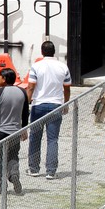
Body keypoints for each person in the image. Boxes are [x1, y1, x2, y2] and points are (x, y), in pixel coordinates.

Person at [26, 40, 72, 179]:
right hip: (56, 105)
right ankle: (51, 171)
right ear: (54, 52)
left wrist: (27, 102)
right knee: (53, 139)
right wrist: (66, 103)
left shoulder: (36, 66)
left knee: (35, 137)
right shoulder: (63, 67)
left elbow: (31, 86)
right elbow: (67, 87)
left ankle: (34, 168)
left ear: (42, 51)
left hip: (38, 105)